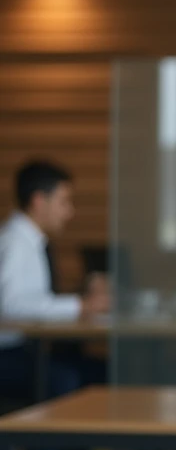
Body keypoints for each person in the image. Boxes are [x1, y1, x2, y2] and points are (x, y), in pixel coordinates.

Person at [0, 158, 110, 399]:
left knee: (99, 370)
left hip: (28, 350)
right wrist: (81, 305)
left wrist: (82, 292)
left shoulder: (32, 242)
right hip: (9, 354)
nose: (69, 212)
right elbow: (10, 306)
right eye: (63, 202)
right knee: (71, 377)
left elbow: (34, 298)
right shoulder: (14, 243)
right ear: (39, 201)